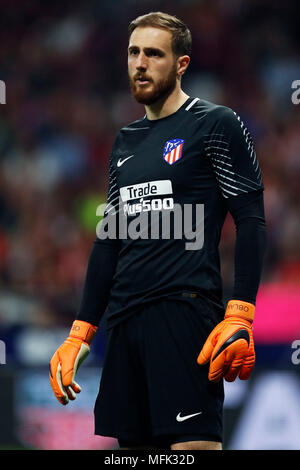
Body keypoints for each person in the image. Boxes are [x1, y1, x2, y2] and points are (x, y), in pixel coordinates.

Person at [49, 12, 267, 451]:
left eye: (153, 53)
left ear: (181, 64)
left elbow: (251, 218)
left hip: (184, 315)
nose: (140, 63)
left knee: (193, 448)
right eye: (133, 52)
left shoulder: (215, 124)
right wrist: (81, 330)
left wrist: (240, 312)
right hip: (125, 323)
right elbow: (108, 241)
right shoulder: (124, 142)